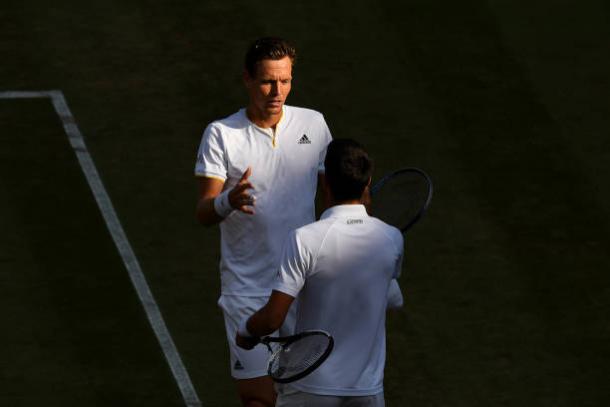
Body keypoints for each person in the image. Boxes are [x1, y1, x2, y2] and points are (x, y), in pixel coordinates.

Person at [194, 37, 333, 407]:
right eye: (268, 81)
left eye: (285, 81)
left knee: (308, 398)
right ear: (247, 80)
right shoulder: (221, 135)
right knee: (258, 400)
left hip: (302, 288)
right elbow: (204, 211)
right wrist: (228, 200)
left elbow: (333, 195)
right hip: (247, 290)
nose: (277, 91)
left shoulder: (314, 124)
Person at [236, 139, 404, 407]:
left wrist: (245, 331)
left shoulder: (304, 239)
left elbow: (272, 318)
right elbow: (394, 298)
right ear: (367, 182)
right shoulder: (392, 238)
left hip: (311, 389)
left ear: (324, 181)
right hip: (367, 392)